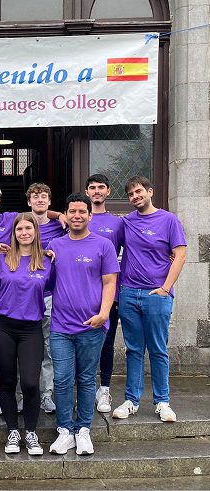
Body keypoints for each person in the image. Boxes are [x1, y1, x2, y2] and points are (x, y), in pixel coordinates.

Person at [48, 193, 119, 456]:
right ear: (65, 215)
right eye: (72, 211)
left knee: (87, 379)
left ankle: (84, 430)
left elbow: (110, 282)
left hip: (92, 325)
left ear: (90, 215)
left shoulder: (103, 245)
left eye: (82, 211)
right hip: (61, 327)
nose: (77, 216)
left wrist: (103, 314)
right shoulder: (55, 244)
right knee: (63, 379)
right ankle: (65, 430)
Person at [113, 176, 186, 422]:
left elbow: (180, 255)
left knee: (157, 349)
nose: (135, 196)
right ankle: (131, 400)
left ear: (150, 191)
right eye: (131, 194)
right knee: (133, 349)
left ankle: (162, 401)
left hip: (157, 294)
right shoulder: (126, 223)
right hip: (130, 293)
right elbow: (106, 244)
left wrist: (165, 288)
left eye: (139, 191)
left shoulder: (169, 220)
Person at [0, 213, 54, 456]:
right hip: (3, 326)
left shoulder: (48, 261)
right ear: (14, 233)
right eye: (20, 229)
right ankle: (12, 431)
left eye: (29, 228)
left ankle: (30, 431)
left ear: (35, 232)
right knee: (7, 381)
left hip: (31, 328)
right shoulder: (2, 259)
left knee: (30, 382)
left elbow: (54, 288)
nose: (24, 232)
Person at [84, 174, 124, 413]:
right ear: (86, 192)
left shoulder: (118, 223)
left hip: (110, 294)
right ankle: (84, 388)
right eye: (92, 188)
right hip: (81, 294)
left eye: (101, 187)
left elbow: (135, 250)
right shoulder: (75, 218)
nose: (96, 191)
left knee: (106, 343)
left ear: (108, 191)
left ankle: (105, 388)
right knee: (81, 344)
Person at [26, 182, 65, 415]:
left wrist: (60, 215)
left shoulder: (61, 226)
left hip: (50, 295)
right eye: (35, 197)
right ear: (29, 201)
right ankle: (24, 394)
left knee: (49, 348)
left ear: (49, 201)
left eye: (44, 196)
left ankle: (46, 394)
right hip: (24, 297)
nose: (40, 200)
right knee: (26, 348)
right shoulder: (19, 224)